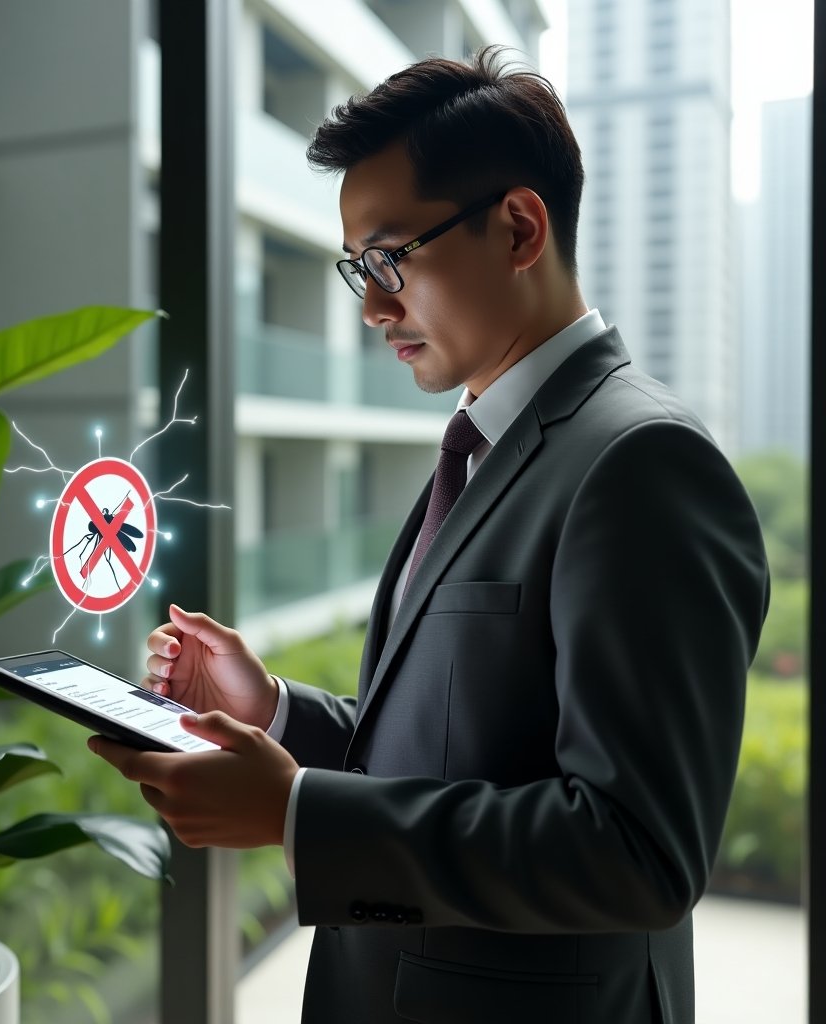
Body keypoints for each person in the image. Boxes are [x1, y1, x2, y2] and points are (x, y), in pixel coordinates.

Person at [88, 47, 770, 1024]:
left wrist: (293, 812)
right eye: (355, 267)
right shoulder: (487, 441)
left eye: (389, 257)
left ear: (519, 228)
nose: (370, 305)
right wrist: (277, 712)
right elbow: (463, 748)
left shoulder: (642, 464)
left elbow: (637, 852)